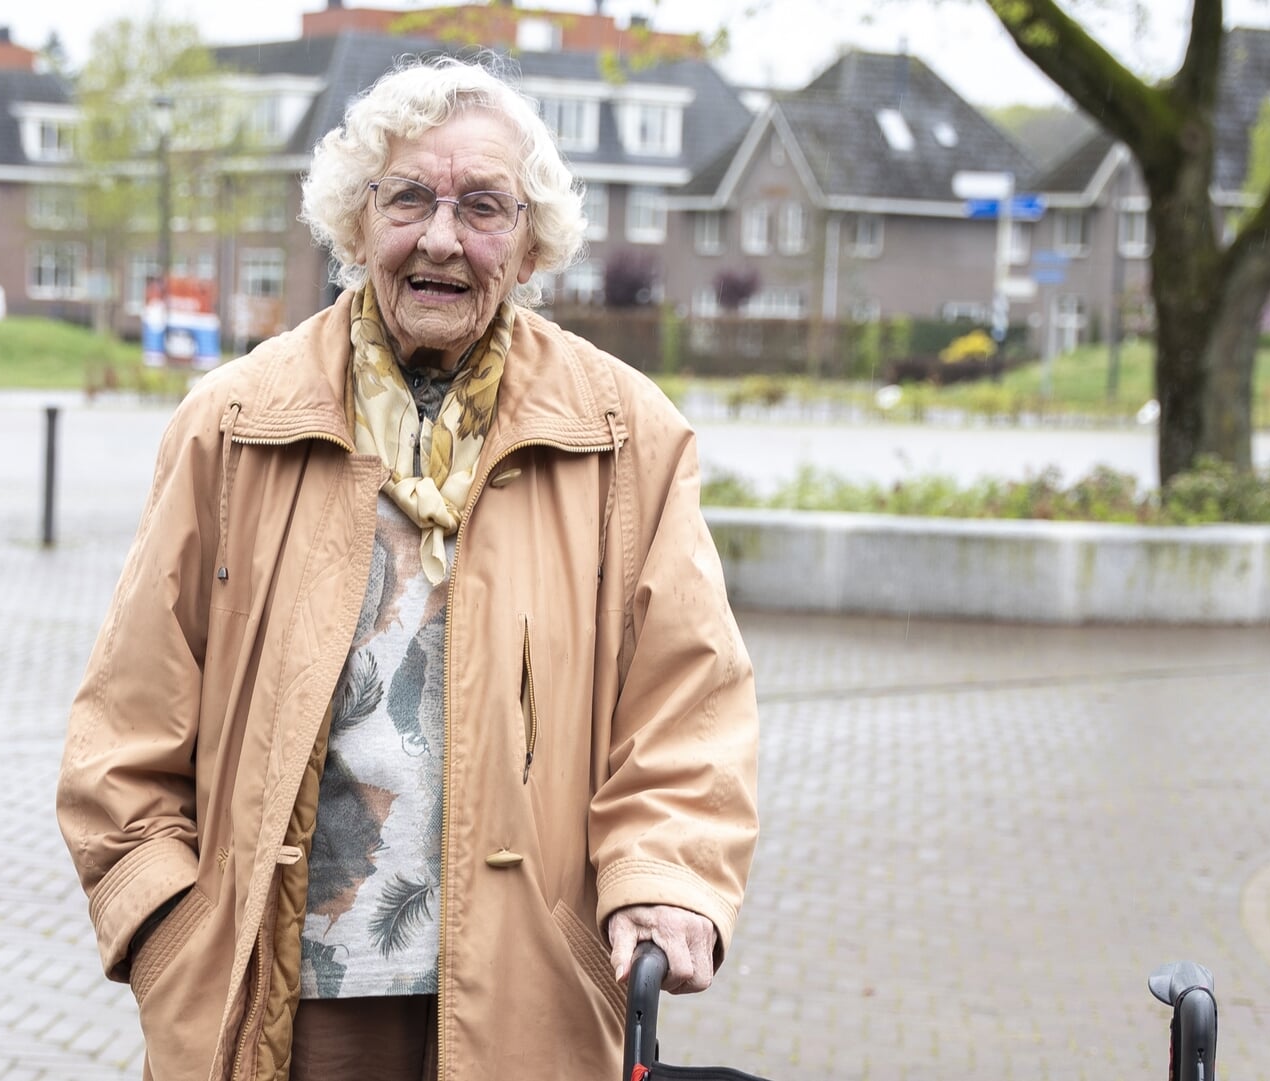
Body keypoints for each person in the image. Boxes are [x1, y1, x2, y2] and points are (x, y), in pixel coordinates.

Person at [57, 56, 759, 1081]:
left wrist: (664, 875)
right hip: (282, 988)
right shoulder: (236, 421)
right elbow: (127, 714)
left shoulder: (627, 435)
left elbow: (687, 700)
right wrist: (169, 920)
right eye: (408, 199)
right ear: (356, 223)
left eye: (483, 206)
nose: (441, 237)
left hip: (537, 979)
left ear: (528, 245)